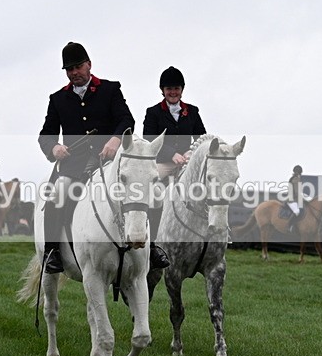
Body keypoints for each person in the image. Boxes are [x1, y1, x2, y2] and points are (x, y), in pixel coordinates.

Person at [38, 42, 135, 274]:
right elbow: (46, 135)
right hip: (74, 165)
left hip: (109, 160)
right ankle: (52, 252)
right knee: (58, 194)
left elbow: (126, 120)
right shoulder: (58, 99)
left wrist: (115, 140)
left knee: (141, 189)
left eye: (78, 67)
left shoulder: (110, 89)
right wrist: (54, 149)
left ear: (89, 65)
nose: (74, 73)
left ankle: (152, 247)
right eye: (69, 69)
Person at [142, 66, 207, 268]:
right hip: (163, 164)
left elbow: (202, 138)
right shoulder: (153, 112)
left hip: (187, 165)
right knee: (154, 195)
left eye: (176, 88)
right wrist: (171, 154)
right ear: (162, 90)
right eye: (169, 88)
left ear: (182, 89)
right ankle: (152, 245)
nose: (173, 92)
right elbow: (148, 138)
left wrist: (192, 151)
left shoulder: (192, 112)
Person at [286, 165, 303, 232]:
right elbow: (297, 192)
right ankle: (290, 226)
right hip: (292, 200)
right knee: (297, 212)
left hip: (294, 199)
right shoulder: (296, 179)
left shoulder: (293, 178)